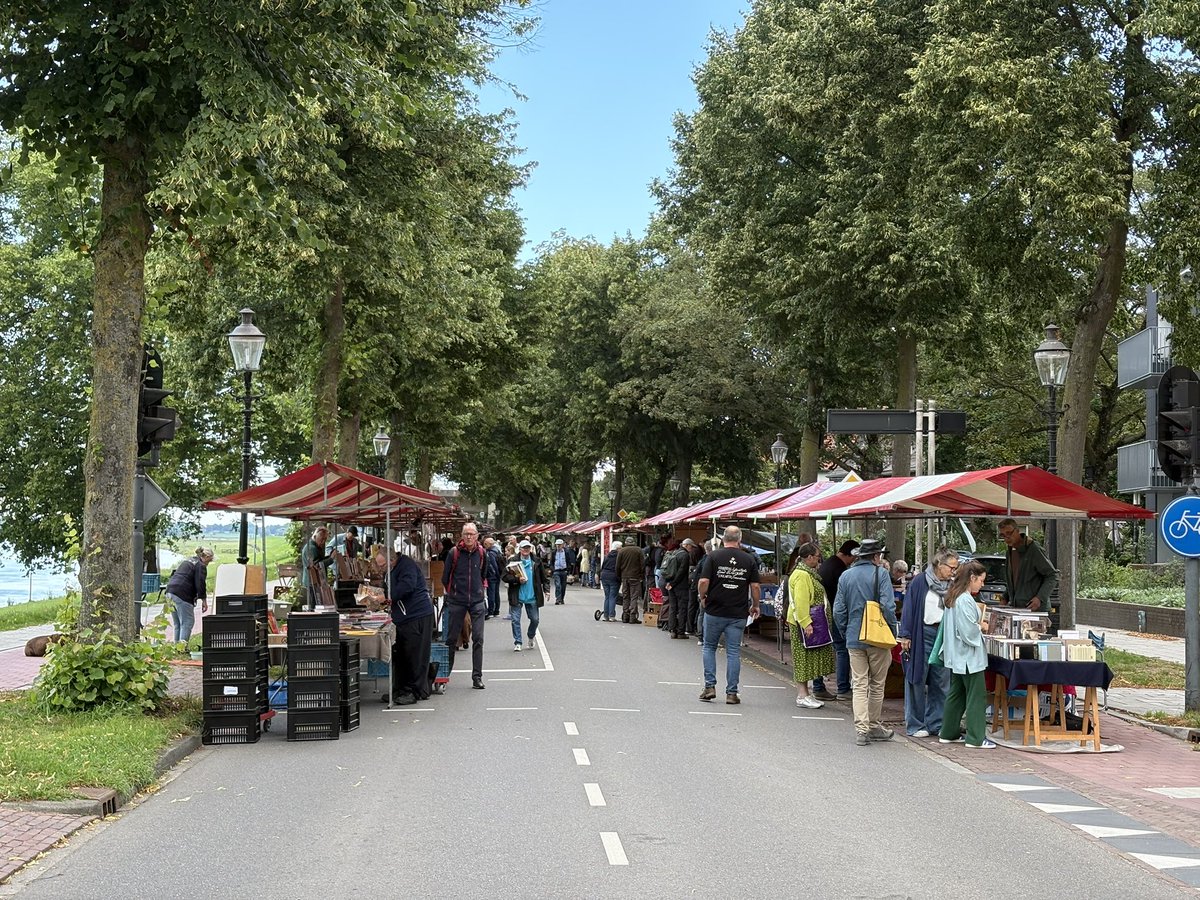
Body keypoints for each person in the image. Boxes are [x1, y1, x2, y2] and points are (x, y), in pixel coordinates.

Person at [833, 538, 898, 746]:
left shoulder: (846, 575)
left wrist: (846, 631)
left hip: (854, 636)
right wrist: (891, 630)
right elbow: (888, 607)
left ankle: (861, 729)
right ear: (876, 556)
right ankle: (873, 725)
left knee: (859, 684)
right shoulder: (881, 574)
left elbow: (838, 611)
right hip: (877, 636)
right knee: (877, 684)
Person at [697, 526, 761, 704]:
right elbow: (755, 586)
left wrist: (702, 597)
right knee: (733, 652)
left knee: (709, 647)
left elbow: (703, 581)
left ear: (723, 539)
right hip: (737, 612)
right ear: (739, 539)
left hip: (715, 610)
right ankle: (732, 692)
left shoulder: (713, 557)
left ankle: (709, 686)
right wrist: (755, 605)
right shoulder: (749, 559)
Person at [898, 549, 958, 738]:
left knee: (941, 680)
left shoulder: (952, 585)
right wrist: (905, 635)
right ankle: (915, 724)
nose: (953, 572)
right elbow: (909, 608)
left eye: (955, 568)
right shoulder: (920, 582)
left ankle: (936, 723)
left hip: (944, 634)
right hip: (922, 632)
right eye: (951, 567)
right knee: (917, 678)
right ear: (939, 564)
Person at [938, 561, 995, 749]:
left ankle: (948, 732)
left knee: (957, 694)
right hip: (969, 657)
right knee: (976, 696)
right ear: (972, 578)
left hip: (956, 656)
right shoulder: (965, 600)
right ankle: (976, 738)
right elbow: (968, 632)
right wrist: (981, 626)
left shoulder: (953, 597)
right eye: (981, 580)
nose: (982, 584)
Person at [383, 547, 434, 705]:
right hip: (404, 617)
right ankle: (400, 688)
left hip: (416, 615)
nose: (380, 568)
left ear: (392, 560)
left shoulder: (407, 566)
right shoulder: (394, 568)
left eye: (382, 565)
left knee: (414, 654)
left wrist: (386, 597)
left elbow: (406, 587)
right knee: (402, 654)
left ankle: (414, 691)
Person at [787, 542, 835, 709]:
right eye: (817, 557)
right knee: (803, 658)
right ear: (809, 558)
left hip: (807, 622)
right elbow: (801, 601)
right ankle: (802, 695)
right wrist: (806, 623)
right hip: (804, 623)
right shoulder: (802, 575)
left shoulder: (804, 573)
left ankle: (806, 694)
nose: (818, 560)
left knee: (807, 658)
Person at [440, 522, 487, 689]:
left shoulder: (482, 553)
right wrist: (452, 593)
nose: (469, 537)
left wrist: (479, 591)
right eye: (466, 534)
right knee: (451, 639)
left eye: (472, 534)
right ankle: (445, 675)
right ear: (462, 536)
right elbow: (445, 578)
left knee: (478, 639)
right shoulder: (454, 553)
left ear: (477, 536)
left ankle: (477, 677)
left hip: (477, 601)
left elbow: (483, 574)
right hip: (457, 600)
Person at [813, 539, 858, 701]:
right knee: (842, 649)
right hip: (833, 613)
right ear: (850, 554)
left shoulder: (828, 563)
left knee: (821, 648)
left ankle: (818, 686)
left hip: (822, 612)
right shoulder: (840, 569)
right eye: (855, 557)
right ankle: (843, 688)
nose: (855, 560)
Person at [999, 518, 1058, 612]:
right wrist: (1005, 597)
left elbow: (1052, 575)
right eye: (1003, 535)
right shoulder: (1009, 552)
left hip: (1035, 609)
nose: (1006, 538)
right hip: (1018, 609)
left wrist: (1039, 598)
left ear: (1017, 531)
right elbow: (1015, 582)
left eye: (1009, 533)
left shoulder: (1033, 549)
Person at [506, 540, 548, 650]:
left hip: (532, 596)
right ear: (519, 549)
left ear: (531, 549)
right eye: (524, 548)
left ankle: (531, 636)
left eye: (528, 548)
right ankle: (518, 642)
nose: (526, 550)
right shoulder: (512, 561)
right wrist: (517, 580)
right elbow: (504, 577)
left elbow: (544, 577)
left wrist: (546, 590)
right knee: (515, 620)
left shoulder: (536, 561)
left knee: (535, 620)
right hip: (517, 595)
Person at [165, 547, 213, 643]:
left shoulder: (188, 561)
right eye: (209, 560)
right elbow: (200, 584)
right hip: (182, 594)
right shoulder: (200, 565)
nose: (208, 563)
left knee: (178, 624)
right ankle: (182, 648)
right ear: (206, 557)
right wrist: (204, 600)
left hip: (170, 591)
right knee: (187, 622)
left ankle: (176, 647)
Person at [664, 538, 694, 638]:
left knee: (673, 607)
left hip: (671, 585)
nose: (691, 549)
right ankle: (681, 631)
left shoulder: (674, 552)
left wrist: (670, 583)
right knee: (682, 608)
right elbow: (682, 571)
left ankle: (672, 629)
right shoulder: (685, 555)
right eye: (691, 546)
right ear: (687, 545)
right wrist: (674, 583)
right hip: (681, 586)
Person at [300, 526, 332, 609]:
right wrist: (331, 559)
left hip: (314, 581)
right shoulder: (311, 548)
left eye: (325, 539)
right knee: (314, 605)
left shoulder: (314, 547)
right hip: (312, 581)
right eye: (321, 539)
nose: (323, 542)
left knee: (316, 605)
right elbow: (317, 566)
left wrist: (329, 557)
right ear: (315, 536)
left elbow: (320, 560)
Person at [616, 539, 645, 623]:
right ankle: (632, 616)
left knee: (626, 597)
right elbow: (642, 564)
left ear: (626, 543)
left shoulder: (622, 551)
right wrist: (641, 575)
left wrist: (619, 575)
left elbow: (617, 565)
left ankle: (625, 616)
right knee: (634, 597)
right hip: (635, 577)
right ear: (633, 542)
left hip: (625, 576)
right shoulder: (638, 550)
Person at [599, 540, 622, 621]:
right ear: (618, 548)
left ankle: (606, 615)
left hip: (604, 576)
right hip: (614, 577)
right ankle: (611, 615)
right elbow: (619, 568)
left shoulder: (607, 556)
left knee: (607, 596)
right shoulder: (619, 557)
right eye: (621, 548)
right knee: (612, 596)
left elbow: (602, 566)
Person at [483, 536, 504, 620]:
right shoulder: (497, 551)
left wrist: (492, 574)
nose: (484, 545)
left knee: (491, 593)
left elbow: (493, 565)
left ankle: (491, 611)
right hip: (497, 575)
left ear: (489, 544)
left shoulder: (490, 553)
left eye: (485, 544)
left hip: (492, 576)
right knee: (496, 593)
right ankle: (496, 610)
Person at [550, 538, 576, 605]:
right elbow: (551, 562)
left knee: (563, 586)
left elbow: (568, 561)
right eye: (557, 545)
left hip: (564, 571)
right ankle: (558, 599)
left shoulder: (566, 552)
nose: (558, 546)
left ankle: (562, 599)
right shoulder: (554, 552)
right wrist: (553, 569)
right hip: (556, 571)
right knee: (558, 585)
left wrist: (568, 570)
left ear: (562, 545)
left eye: (559, 545)